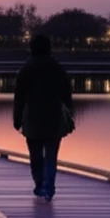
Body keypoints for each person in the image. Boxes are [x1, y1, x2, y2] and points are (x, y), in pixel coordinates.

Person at [13, 34, 74, 202]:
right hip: (54, 118)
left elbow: (19, 97)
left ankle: (39, 184)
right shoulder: (56, 68)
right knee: (51, 155)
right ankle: (49, 187)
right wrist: (69, 113)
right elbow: (66, 94)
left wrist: (16, 119)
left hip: (32, 117)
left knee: (35, 155)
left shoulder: (26, 68)